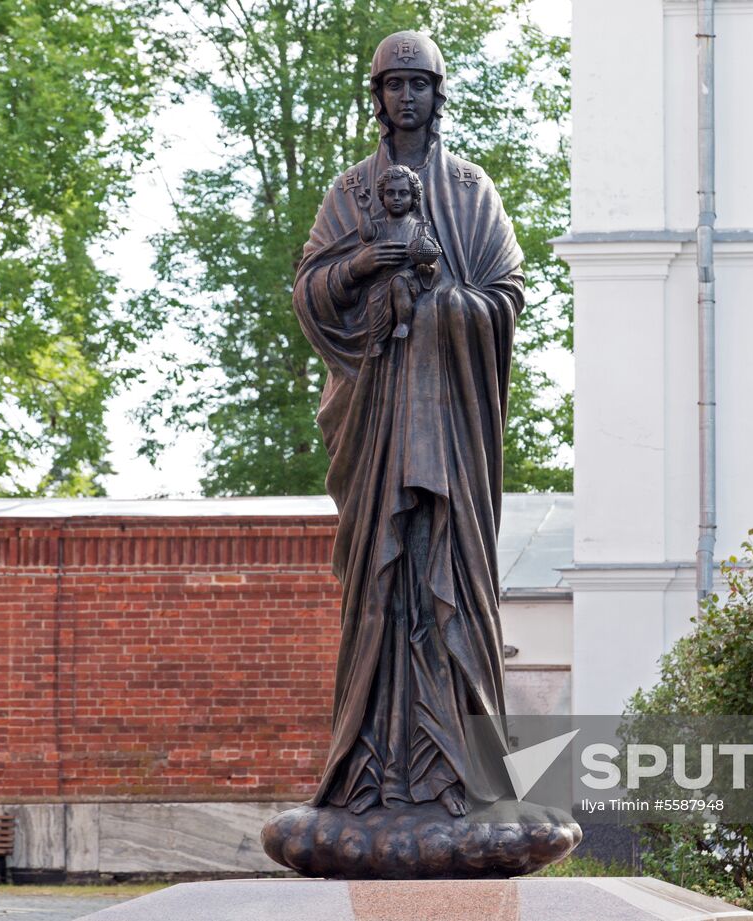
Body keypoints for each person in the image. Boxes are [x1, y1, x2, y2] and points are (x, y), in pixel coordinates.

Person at [292, 30, 525, 818]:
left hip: (449, 432)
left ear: (438, 94)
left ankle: (457, 771)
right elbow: (311, 290)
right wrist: (368, 265)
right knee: (383, 588)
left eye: (419, 83)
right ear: (378, 98)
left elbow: (504, 294)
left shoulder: (471, 190)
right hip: (380, 421)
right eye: (393, 85)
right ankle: (373, 770)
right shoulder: (348, 195)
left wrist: (437, 305)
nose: (407, 97)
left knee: (445, 580)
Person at [357, 164, 442, 356]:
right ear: (382, 196)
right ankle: (378, 340)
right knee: (374, 299)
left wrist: (426, 267)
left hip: (408, 275)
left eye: (403, 193)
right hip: (382, 278)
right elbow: (367, 235)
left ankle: (404, 323)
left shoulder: (417, 226)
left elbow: (429, 252)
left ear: (413, 198)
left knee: (399, 283)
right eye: (390, 193)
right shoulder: (379, 226)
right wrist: (364, 211)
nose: (396, 198)